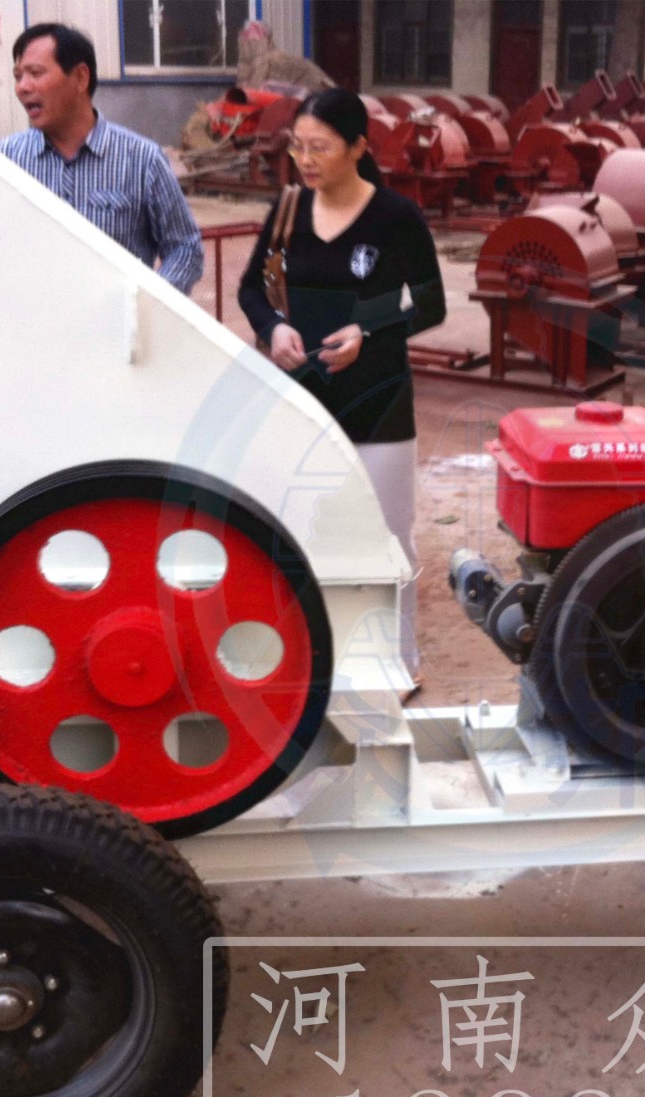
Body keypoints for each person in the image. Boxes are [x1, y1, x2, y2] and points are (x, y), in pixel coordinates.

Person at [237, 88, 446, 685]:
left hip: (378, 403)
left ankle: (398, 662)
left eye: (320, 148)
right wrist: (273, 328)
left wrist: (368, 328)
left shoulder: (396, 218)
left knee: (388, 536)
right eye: (298, 147)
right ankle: (310, 660)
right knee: (302, 530)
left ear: (357, 147)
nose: (305, 160)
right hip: (301, 402)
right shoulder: (287, 210)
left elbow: (430, 304)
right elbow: (253, 289)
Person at [0, 23, 204, 294]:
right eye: (18, 76)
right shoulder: (6, 159)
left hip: (119, 321)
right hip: (33, 319)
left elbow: (185, 248)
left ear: (80, 77)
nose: (22, 87)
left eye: (35, 73)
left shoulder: (142, 160)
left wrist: (146, 303)